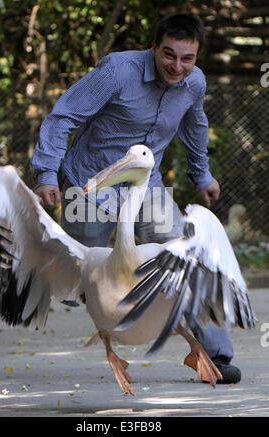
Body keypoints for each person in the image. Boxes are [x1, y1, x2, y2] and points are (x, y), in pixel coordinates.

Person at [31, 13, 241, 383]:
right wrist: (46, 173)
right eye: (169, 55)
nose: (177, 66)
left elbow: (195, 124)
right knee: (74, 272)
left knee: (188, 256)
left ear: (196, 57)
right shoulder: (118, 71)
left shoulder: (193, 83)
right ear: (154, 47)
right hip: (91, 183)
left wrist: (201, 174)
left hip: (146, 184)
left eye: (187, 59)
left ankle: (214, 354)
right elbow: (62, 117)